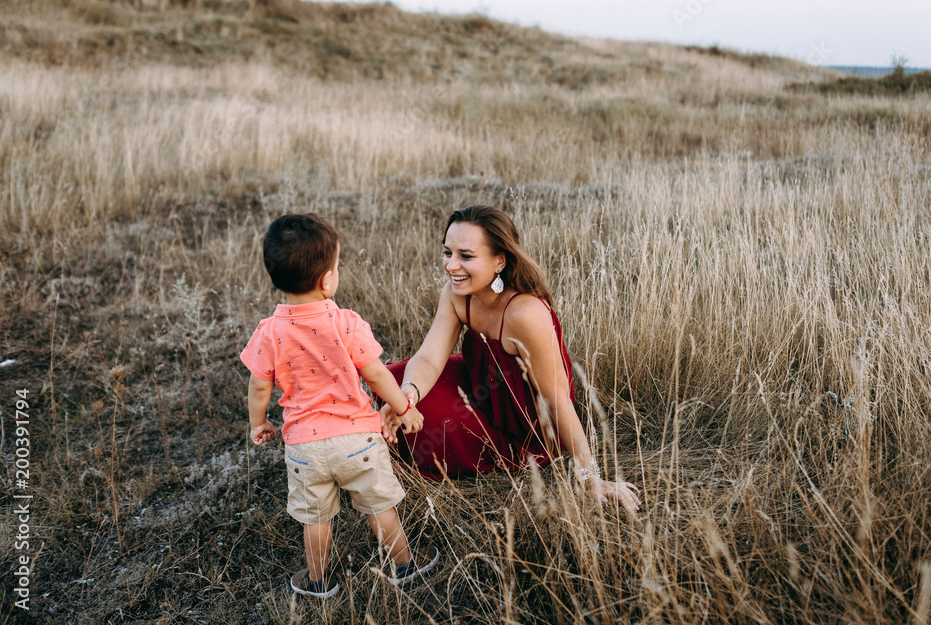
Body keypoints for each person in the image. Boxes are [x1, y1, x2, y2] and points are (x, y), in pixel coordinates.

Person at [381, 205, 642, 511]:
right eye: (447, 252)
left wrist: (589, 476)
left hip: (521, 423)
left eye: (466, 256)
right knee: (397, 380)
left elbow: (556, 398)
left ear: (499, 261)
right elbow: (427, 359)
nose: (451, 266)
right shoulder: (455, 294)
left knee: (435, 426)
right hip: (480, 386)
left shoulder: (525, 314)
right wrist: (407, 398)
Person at [240, 213, 439, 599]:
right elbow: (378, 376)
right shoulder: (346, 323)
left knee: (315, 518)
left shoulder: (268, 332)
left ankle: (318, 581)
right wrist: (403, 407)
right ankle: (404, 565)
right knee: (378, 505)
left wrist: (258, 422)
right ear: (327, 279)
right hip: (357, 440)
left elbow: (258, 385)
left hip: (303, 448)